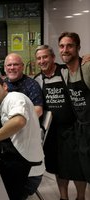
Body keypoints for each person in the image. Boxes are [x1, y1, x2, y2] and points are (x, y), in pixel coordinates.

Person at [34, 44, 87, 200]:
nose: (42, 61)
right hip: (53, 131)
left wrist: (86, 58)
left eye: (45, 57)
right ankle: (63, 197)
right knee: (59, 166)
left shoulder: (65, 72)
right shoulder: (38, 79)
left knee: (77, 166)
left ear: (53, 58)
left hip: (73, 128)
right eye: (39, 58)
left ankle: (81, 197)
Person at [58, 32, 90, 199]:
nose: (65, 50)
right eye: (62, 46)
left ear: (78, 48)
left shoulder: (87, 67)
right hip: (80, 130)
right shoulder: (65, 72)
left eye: (69, 46)